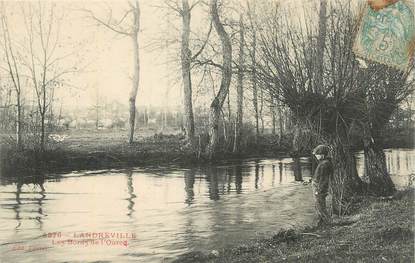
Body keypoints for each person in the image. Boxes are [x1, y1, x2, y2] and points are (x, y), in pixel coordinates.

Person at [311, 144, 333, 226]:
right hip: (318, 186)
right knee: (319, 205)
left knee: (320, 206)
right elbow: (321, 176)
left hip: (319, 187)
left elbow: (324, 179)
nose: (316, 156)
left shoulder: (324, 164)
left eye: (317, 154)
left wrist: (318, 191)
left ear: (322, 155)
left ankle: (328, 223)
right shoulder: (325, 162)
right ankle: (321, 222)